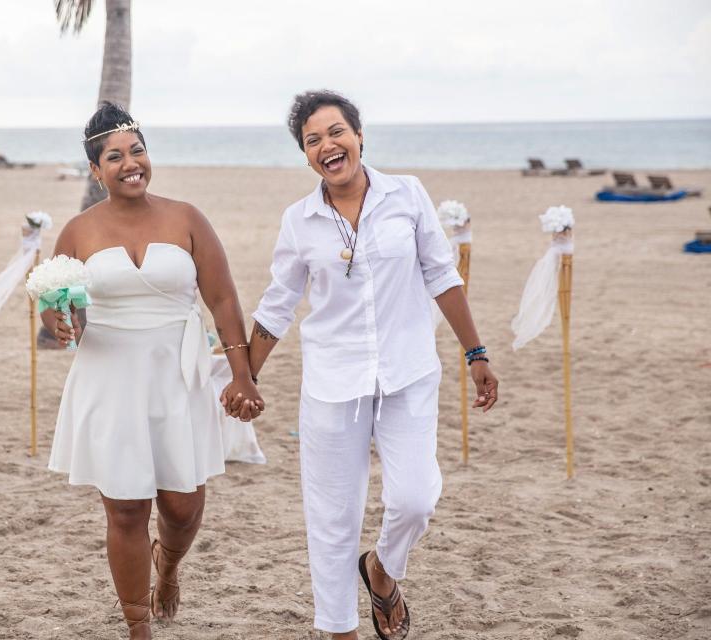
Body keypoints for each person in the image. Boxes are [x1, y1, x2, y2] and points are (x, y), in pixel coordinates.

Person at [227, 90, 499, 640]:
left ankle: (382, 569)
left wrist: (476, 354)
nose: (327, 146)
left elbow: (441, 275)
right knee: (332, 521)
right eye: (312, 140)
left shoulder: (408, 194)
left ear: (358, 135)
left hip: (409, 374)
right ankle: (340, 631)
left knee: (415, 499)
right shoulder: (299, 220)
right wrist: (244, 376)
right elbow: (278, 304)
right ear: (305, 155)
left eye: (336, 132)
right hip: (332, 384)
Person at [44, 102, 263, 639]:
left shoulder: (186, 218)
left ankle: (168, 568)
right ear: (96, 172)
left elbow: (223, 298)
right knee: (124, 508)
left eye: (137, 151)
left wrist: (241, 375)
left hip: (177, 373)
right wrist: (58, 318)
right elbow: (57, 304)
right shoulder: (77, 231)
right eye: (114, 157)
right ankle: (137, 623)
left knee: (184, 506)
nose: (129, 164)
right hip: (109, 375)